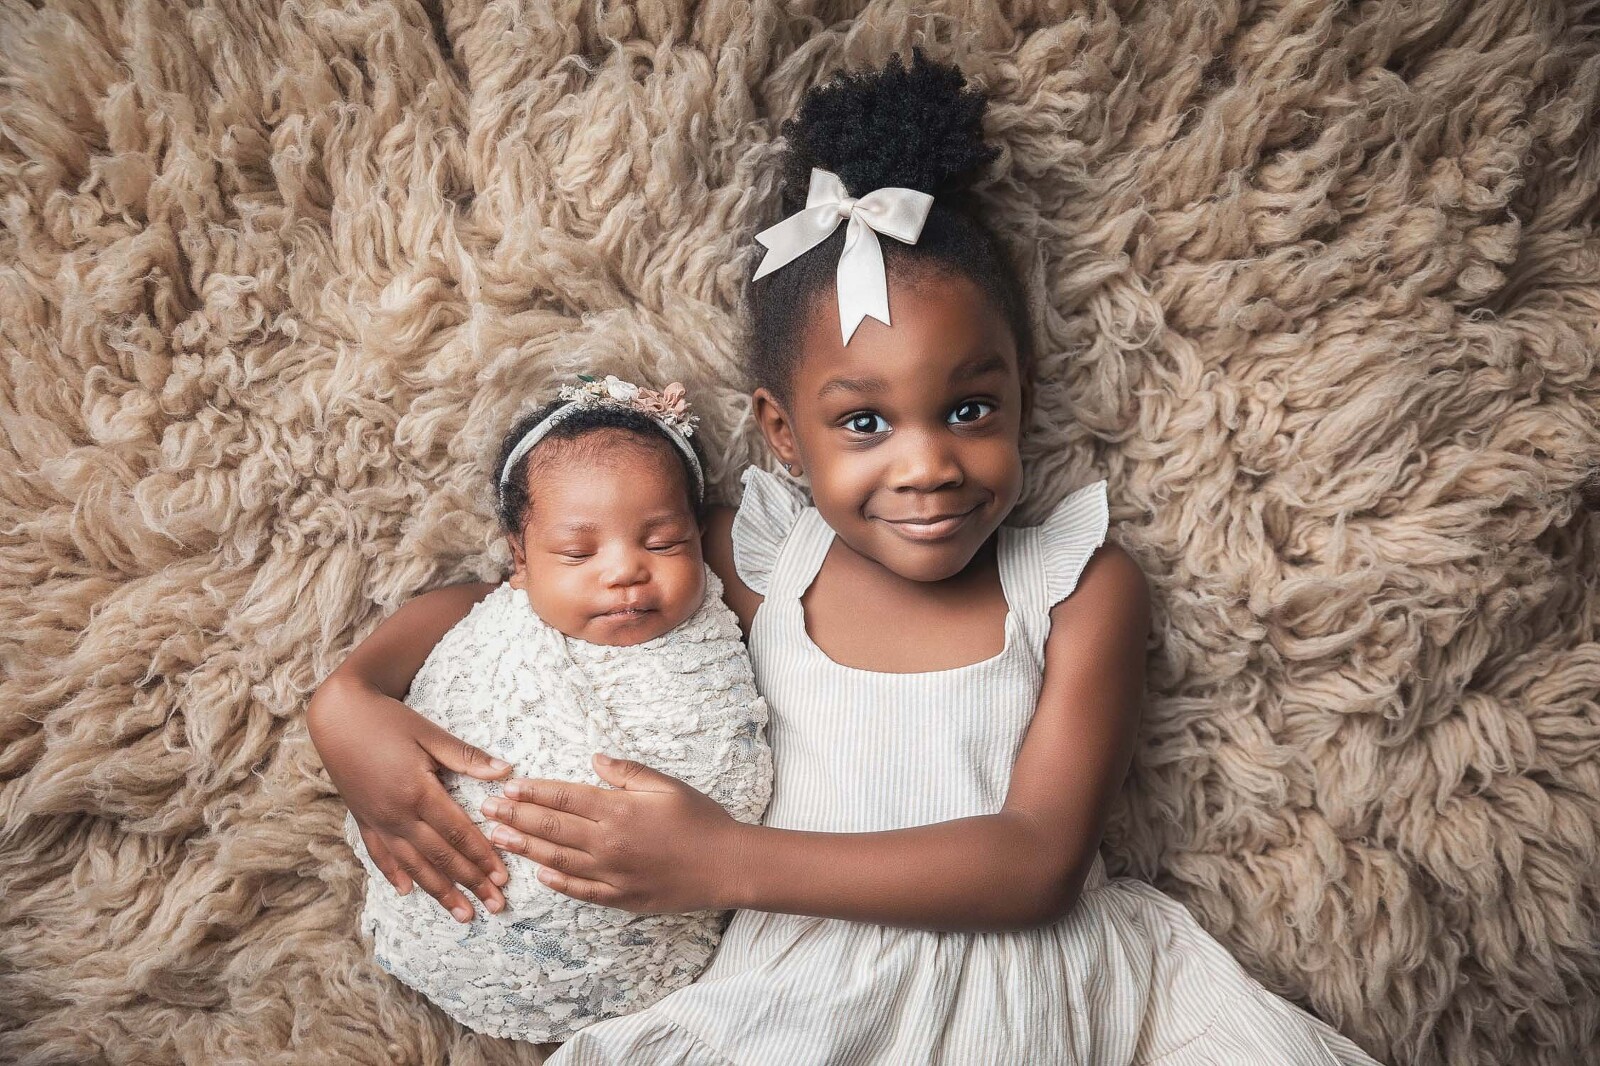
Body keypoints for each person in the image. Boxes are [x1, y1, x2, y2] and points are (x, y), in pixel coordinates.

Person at [309, 48, 1381, 1064]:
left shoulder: (1074, 587)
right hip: (796, 994)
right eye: (863, 424)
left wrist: (716, 861)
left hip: (1034, 995)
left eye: (968, 408)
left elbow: (1035, 862)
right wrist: (349, 701)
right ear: (782, 434)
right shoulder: (756, 558)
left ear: (1024, 398)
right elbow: (523, 586)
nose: (927, 466)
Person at [336, 377, 772, 1044]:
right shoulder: (476, 608)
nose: (625, 570)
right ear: (521, 557)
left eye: (663, 542)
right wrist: (339, 723)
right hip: (459, 897)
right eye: (578, 552)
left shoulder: (723, 609)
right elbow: (352, 690)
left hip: (661, 939)